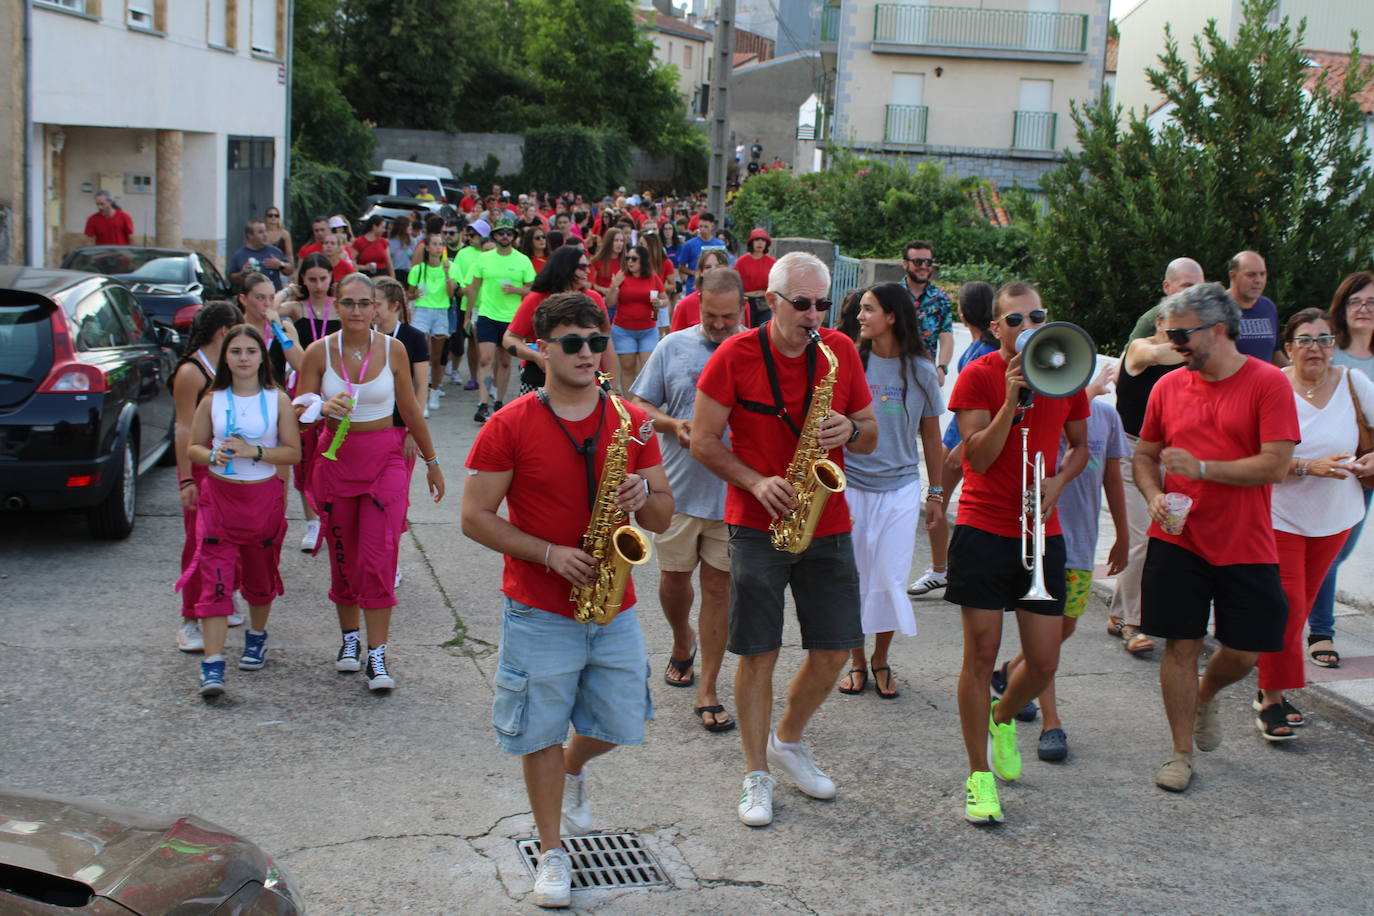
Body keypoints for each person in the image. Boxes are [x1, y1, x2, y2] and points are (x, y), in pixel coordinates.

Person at [460, 292, 673, 909]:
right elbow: (475, 517)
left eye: (595, 340)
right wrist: (549, 554)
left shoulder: (632, 421)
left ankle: (574, 770)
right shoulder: (510, 423)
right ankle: (552, 850)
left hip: (614, 602)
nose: (587, 352)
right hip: (539, 605)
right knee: (539, 731)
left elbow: (663, 514)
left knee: (622, 722)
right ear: (544, 349)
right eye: (573, 342)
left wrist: (641, 494)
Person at [691, 251, 878, 827]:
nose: (815, 314)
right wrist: (754, 480)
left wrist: (852, 427)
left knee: (833, 651)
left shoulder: (840, 351)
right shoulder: (735, 355)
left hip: (829, 520)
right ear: (770, 301)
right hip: (756, 522)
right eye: (803, 304)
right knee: (758, 652)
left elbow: (869, 435)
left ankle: (788, 740)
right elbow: (702, 439)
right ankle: (756, 774)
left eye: (823, 303)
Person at [1133, 282, 1298, 793]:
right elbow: (1144, 456)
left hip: (1245, 542)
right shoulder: (1168, 387)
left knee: (1247, 651)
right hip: (1178, 537)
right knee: (1179, 645)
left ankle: (1205, 695)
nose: (1173, 343)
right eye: (1168, 332)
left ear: (1218, 329)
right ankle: (1180, 752)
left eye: (1181, 333)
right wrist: (1153, 495)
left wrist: (1203, 468)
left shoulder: (1267, 383)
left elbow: (1276, 465)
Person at [943, 280, 1089, 825]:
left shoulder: (1063, 371)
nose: (1028, 328)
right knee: (980, 657)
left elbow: (1079, 447)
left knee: (1045, 660)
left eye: (1038, 316)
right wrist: (1010, 400)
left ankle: (1003, 716)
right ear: (996, 328)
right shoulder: (978, 376)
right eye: (1015, 321)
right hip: (984, 528)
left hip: (1040, 532)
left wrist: (1058, 484)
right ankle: (979, 776)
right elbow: (975, 459)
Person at [298, 273, 445, 692]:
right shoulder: (319, 351)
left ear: (377, 307)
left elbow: (411, 410)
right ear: (336, 306)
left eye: (366, 303)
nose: (359, 311)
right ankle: (350, 642)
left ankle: (377, 655)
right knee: (343, 556)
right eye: (349, 303)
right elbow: (298, 408)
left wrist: (432, 461)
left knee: (379, 555)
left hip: (385, 460)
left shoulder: (394, 349)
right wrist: (321, 406)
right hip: (337, 460)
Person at [992, 364, 1130, 761]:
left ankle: (1012, 674)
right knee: (1047, 643)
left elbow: (1112, 477)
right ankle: (1052, 723)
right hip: (1044, 539)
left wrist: (1122, 533)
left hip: (1082, 542)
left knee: (1064, 629)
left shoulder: (1107, 416)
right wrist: (1083, 395)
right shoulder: (1032, 406)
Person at [630, 269, 746, 732]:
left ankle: (710, 687)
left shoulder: (755, 350)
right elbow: (638, 405)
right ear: (698, 307)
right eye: (711, 316)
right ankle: (683, 640)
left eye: (728, 317)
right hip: (676, 492)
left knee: (720, 590)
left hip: (733, 495)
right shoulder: (672, 346)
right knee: (675, 582)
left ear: (743, 310)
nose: (719, 325)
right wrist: (670, 426)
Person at [1253, 308, 1374, 739]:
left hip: (1336, 517)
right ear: (1288, 347)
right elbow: (1258, 457)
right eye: (1305, 340)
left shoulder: (1354, 383)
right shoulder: (1271, 385)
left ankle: (1268, 679)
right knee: (1287, 609)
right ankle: (1272, 698)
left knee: (1298, 608)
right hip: (1281, 516)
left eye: (1325, 340)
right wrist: (1307, 466)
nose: (1316, 348)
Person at [179, 325, 301, 696]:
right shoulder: (211, 400)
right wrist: (212, 454)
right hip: (219, 500)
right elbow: (194, 447)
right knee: (215, 578)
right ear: (226, 358)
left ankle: (256, 635)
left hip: (261, 500)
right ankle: (212, 664)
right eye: (236, 351)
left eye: (251, 351)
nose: (243, 358)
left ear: (262, 358)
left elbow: (293, 452)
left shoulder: (276, 400)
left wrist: (256, 451)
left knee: (260, 578)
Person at [836, 283, 944, 700]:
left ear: (892, 316)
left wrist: (935, 494)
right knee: (852, 578)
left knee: (888, 578)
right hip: (851, 487)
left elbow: (932, 438)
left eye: (869, 310)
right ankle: (856, 661)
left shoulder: (920, 369)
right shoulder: (851, 363)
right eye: (860, 310)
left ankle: (880, 658)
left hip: (900, 488)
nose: (860, 317)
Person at [1108, 257, 1201, 653]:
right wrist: (1199, 345)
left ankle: (1117, 613)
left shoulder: (1192, 358)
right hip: (1130, 453)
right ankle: (1133, 624)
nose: (1177, 332)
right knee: (1141, 538)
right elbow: (1162, 357)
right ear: (1158, 322)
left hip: (1170, 456)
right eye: (1171, 324)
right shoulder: (1141, 348)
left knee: (1161, 537)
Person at [910, 280, 997, 597]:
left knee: (939, 500)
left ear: (963, 310)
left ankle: (940, 570)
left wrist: (961, 447)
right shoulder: (980, 346)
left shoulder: (984, 350)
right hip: (956, 431)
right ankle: (942, 569)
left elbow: (988, 404)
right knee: (940, 500)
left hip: (963, 436)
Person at [1307, 271, 1374, 668]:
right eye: (1356, 302)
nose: (1363, 309)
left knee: (1339, 553)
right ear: (1342, 307)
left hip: (1370, 471)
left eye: (1371, 303)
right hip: (1332, 471)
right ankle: (1321, 632)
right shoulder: (1331, 351)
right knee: (1330, 553)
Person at [172, 302, 244, 654]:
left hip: (233, 468)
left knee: (236, 537)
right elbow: (184, 428)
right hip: (201, 468)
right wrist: (186, 480)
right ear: (222, 332)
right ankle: (190, 619)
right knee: (198, 543)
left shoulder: (231, 366)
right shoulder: (192, 372)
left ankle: (225, 595)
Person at [282, 253, 341, 552]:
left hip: (334, 388)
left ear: (331, 278)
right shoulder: (295, 308)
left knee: (332, 454)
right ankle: (311, 521)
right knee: (305, 455)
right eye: (311, 279)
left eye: (323, 278)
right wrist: (287, 290)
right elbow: (269, 309)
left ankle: (332, 516)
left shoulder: (340, 309)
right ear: (302, 280)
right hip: (303, 387)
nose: (318, 285)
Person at [504, 245, 616, 395]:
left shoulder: (594, 298)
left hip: (587, 382)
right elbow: (509, 338)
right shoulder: (536, 299)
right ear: (566, 268)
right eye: (582, 267)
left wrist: (613, 387)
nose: (588, 271)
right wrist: (536, 357)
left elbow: (606, 343)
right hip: (541, 381)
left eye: (588, 266)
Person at [469, 216, 536, 423]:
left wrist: (517, 290)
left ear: (513, 237)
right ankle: (482, 404)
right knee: (485, 359)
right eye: (501, 233)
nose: (505, 237)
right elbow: (473, 287)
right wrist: (467, 315)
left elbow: (533, 291)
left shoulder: (522, 260)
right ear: (495, 236)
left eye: (508, 233)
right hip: (487, 314)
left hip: (512, 318)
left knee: (505, 361)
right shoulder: (484, 258)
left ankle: (498, 401)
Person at [407, 232, 455, 413]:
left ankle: (435, 389)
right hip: (422, 311)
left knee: (436, 357)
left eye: (440, 244)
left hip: (441, 311)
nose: (437, 247)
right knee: (422, 355)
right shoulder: (418, 269)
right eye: (434, 244)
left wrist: (447, 274)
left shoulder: (450, 267)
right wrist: (413, 295)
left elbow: (451, 295)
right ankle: (422, 397)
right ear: (427, 247)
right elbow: (409, 293)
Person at [609, 245, 666, 391]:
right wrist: (614, 286)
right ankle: (629, 407)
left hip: (648, 329)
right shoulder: (621, 276)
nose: (630, 262)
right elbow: (609, 303)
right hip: (623, 329)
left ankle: (642, 405)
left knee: (647, 369)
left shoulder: (652, 276)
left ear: (643, 260)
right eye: (627, 258)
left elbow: (665, 300)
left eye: (634, 258)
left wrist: (659, 303)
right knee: (627, 368)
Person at [901, 240, 953, 384]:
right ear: (905, 263)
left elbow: (946, 336)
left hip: (926, 376)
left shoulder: (941, 299)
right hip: (894, 372)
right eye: (918, 262)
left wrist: (942, 368)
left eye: (928, 262)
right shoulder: (893, 295)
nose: (923, 267)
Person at [1225, 251, 1285, 365]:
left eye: (1262, 274)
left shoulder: (1268, 307)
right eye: (1251, 275)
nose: (1258, 280)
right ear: (1233, 276)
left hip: (1265, 381)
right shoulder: (1216, 308)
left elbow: (1274, 353)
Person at [669, 249, 732, 331]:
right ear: (701, 272)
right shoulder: (685, 305)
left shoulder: (739, 302)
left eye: (718, 266)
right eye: (708, 267)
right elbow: (675, 340)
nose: (713, 270)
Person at [228, 220, 293, 291]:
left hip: (274, 297)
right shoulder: (239, 255)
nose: (265, 235)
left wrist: (280, 265)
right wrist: (242, 274)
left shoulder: (274, 251)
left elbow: (290, 271)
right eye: (260, 232)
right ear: (250, 235)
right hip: (250, 298)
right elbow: (231, 278)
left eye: (265, 231)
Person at [676, 212, 724, 296]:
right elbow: (681, 267)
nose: (702, 229)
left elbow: (724, 265)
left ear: (712, 226)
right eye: (700, 226)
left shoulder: (720, 245)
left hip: (714, 286)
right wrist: (694, 273)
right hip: (694, 287)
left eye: (706, 226)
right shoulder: (689, 244)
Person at [735, 228, 776, 328]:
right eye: (757, 240)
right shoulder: (742, 261)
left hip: (764, 302)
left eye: (763, 240)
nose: (760, 243)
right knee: (747, 329)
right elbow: (735, 282)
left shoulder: (772, 262)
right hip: (747, 301)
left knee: (764, 329)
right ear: (751, 242)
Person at [587, 228, 626, 301]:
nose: (619, 243)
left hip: (620, 301)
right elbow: (590, 283)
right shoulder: (597, 261)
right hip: (602, 299)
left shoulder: (626, 261)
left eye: (621, 241)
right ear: (609, 242)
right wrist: (602, 289)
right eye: (616, 240)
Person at [388, 217, 413, 282]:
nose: (410, 228)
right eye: (409, 226)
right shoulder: (389, 242)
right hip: (394, 273)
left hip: (408, 273)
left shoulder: (411, 241)